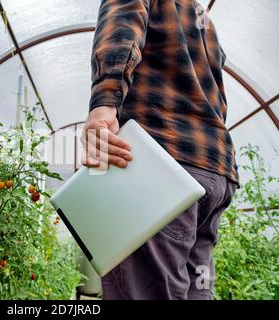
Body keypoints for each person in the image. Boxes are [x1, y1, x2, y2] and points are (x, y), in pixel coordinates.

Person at [81, 0, 239, 300]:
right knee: (196, 290)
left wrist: (103, 108)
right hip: (213, 170)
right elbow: (216, 91)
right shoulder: (204, 20)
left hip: (160, 168)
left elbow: (123, 24)